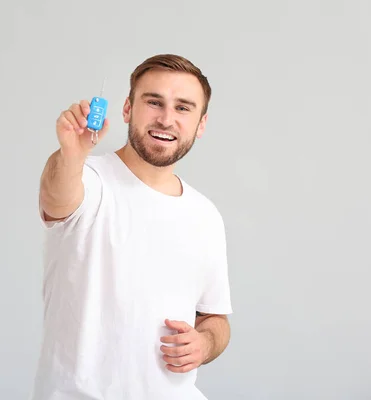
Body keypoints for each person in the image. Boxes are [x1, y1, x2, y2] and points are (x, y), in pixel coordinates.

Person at [32, 54, 233, 400]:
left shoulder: (205, 215)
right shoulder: (88, 181)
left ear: (201, 124)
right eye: (153, 102)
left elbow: (216, 319)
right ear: (127, 109)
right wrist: (70, 154)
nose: (166, 119)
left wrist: (204, 342)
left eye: (183, 108)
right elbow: (56, 197)